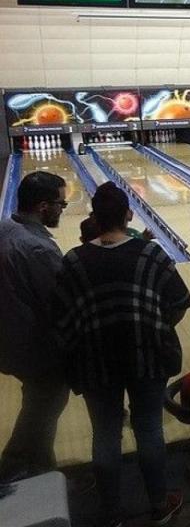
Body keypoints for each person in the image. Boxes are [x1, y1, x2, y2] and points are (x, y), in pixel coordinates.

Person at [51, 182, 190, 527]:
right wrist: (154, 324)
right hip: (147, 356)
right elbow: (179, 303)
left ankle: (111, 514)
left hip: (95, 360)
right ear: (129, 215)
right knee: (148, 428)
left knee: (105, 432)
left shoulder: (74, 260)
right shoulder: (151, 253)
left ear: (94, 218)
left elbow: (61, 316)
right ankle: (159, 504)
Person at [0, 172, 69, 482]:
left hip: (10, 339)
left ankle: (44, 471)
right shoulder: (38, 249)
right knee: (44, 407)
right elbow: (60, 303)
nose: (62, 209)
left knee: (40, 406)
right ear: (43, 207)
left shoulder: (5, 228)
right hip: (35, 348)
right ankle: (10, 470)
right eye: (61, 203)